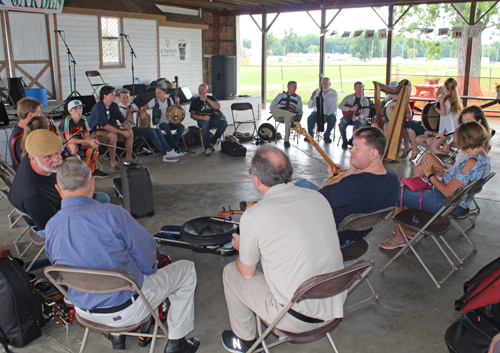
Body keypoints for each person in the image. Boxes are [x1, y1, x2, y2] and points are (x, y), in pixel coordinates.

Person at [45, 158, 199, 353]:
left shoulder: (51, 226)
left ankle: (117, 338)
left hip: (84, 311)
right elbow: (148, 260)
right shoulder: (113, 214)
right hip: (127, 311)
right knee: (186, 269)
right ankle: (177, 343)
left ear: (58, 189)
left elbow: (61, 266)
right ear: (92, 182)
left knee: (99, 271)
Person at [221, 145, 345, 353]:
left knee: (230, 272)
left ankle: (244, 340)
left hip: (298, 318)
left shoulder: (254, 216)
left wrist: (244, 247)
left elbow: (247, 272)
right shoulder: (318, 198)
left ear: (256, 179)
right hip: (333, 305)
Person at [380, 121, 491, 250]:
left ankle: (400, 236)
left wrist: (430, 175)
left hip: (446, 203)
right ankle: (408, 227)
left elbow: (447, 192)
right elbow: (460, 181)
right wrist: (443, 173)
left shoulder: (472, 161)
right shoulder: (483, 159)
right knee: (407, 189)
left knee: (397, 193)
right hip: (456, 201)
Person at [295, 127, 399, 248]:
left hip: (331, 236)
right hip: (356, 234)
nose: (351, 151)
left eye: (357, 148)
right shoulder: (393, 178)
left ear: (373, 154)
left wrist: (350, 172)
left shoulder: (352, 185)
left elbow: (320, 195)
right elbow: (365, 187)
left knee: (293, 188)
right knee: (304, 184)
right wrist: (349, 173)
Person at [8, 129, 110, 239]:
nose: (57, 159)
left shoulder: (35, 152)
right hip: (52, 224)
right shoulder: (34, 195)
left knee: (102, 200)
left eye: (57, 152)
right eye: (48, 156)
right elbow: (54, 228)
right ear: (32, 158)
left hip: (57, 203)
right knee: (100, 226)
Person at [413, 106, 491, 178]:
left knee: (422, 165)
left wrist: (443, 172)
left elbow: (462, 173)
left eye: (468, 121)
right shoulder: (474, 139)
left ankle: (412, 187)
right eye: (463, 121)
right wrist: (442, 136)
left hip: (455, 174)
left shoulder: (476, 144)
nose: (465, 124)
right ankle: (413, 186)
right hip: (455, 168)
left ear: (479, 122)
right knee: (424, 161)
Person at [116, 88, 183, 162]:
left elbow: (140, 109)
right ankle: (164, 153)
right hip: (126, 129)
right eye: (123, 98)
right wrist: (129, 113)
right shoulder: (118, 108)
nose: (126, 99)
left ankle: (169, 150)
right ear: (119, 98)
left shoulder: (129, 105)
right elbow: (123, 123)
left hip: (133, 127)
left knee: (157, 130)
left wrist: (142, 112)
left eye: (127, 97)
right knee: (151, 132)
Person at [58, 99, 109, 177]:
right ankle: (72, 171)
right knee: (74, 147)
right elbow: (69, 140)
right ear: (69, 111)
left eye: (80, 108)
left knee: (94, 146)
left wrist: (92, 141)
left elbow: (87, 135)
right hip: (64, 143)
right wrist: (88, 141)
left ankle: (94, 168)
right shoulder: (67, 120)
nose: (78, 111)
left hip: (78, 140)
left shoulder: (83, 118)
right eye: (75, 109)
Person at [89, 86, 134, 173]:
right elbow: (104, 125)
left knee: (130, 133)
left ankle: (129, 159)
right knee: (113, 136)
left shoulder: (114, 106)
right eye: (112, 95)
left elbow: (122, 120)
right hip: (97, 132)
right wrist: (121, 132)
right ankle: (113, 163)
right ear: (105, 96)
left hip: (111, 129)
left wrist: (129, 129)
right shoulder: (99, 107)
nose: (114, 96)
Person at [416, 78, 463, 156]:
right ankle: (444, 162)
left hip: (446, 129)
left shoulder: (443, 98)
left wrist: (436, 108)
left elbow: (443, 113)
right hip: (454, 129)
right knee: (445, 149)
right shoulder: (456, 99)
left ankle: (443, 161)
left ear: (445, 86)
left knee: (434, 148)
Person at [139, 86, 185, 158]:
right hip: (161, 122)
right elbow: (144, 107)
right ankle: (175, 148)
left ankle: (173, 145)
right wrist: (143, 111)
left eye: (159, 93)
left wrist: (177, 103)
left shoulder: (169, 100)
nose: (157, 95)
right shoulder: (154, 101)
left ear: (164, 92)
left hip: (170, 121)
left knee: (181, 127)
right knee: (167, 128)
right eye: (156, 93)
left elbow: (175, 110)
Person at [189, 84, 228, 156]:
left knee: (224, 123)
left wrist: (206, 99)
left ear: (206, 90)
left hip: (213, 118)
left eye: (202, 89)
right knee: (204, 124)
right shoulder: (195, 101)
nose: (200, 91)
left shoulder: (212, 98)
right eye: (199, 89)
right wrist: (202, 118)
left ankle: (212, 142)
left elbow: (218, 107)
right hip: (202, 119)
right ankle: (207, 148)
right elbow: (192, 115)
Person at [8, 97, 42, 171]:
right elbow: (31, 165)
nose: (41, 115)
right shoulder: (21, 138)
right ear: (30, 115)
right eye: (38, 112)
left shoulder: (19, 131)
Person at [270, 81, 303, 148]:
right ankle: (289, 115)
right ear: (289, 86)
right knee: (273, 109)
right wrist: (282, 111)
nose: (295, 88)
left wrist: (293, 110)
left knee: (287, 118)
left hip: (290, 114)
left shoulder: (297, 97)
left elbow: (300, 110)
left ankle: (286, 141)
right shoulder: (280, 95)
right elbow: (272, 106)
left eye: (296, 86)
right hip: (279, 113)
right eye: (293, 86)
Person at [338, 81, 370, 150]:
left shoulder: (365, 100)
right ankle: (344, 141)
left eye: (361, 87)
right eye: (358, 87)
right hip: (347, 116)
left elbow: (366, 112)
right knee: (342, 124)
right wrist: (350, 108)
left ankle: (352, 140)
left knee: (360, 125)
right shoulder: (348, 98)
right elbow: (340, 106)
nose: (360, 89)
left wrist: (358, 117)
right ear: (354, 88)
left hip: (358, 117)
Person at [306, 77, 338, 143]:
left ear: (330, 84)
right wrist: (312, 97)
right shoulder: (317, 91)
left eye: (326, 83)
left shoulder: (334, 93)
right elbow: (310, 106)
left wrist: (326, 115)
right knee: (310, 118)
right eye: (323, 83)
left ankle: (327, 135)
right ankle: (310, 135)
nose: (324, 85)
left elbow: (334, 107)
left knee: (332, 119)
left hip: (329, 113)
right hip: (317, 112)